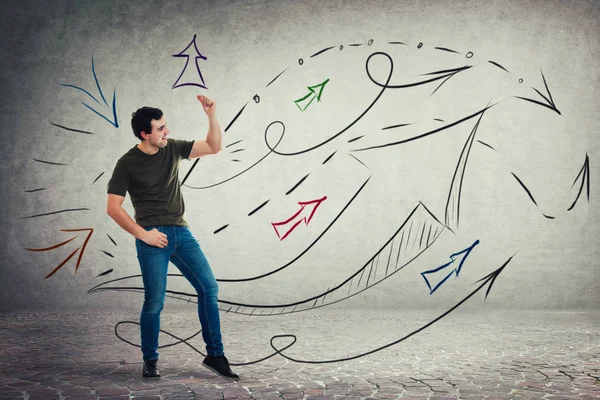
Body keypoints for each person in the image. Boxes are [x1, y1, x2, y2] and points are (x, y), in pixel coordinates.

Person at [106, 95, 238, 380]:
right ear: (145, 134)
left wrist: (211, 115)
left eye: (166, 126)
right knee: (155, 302)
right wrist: (145, 235)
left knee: (209, 289)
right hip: (153, 239)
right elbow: (113, 208)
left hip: (182, 234)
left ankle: (215, 355)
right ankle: (150, 360)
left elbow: (214, 147)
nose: (167, 132)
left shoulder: (173, 149)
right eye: (161, 128)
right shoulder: (127, 163)